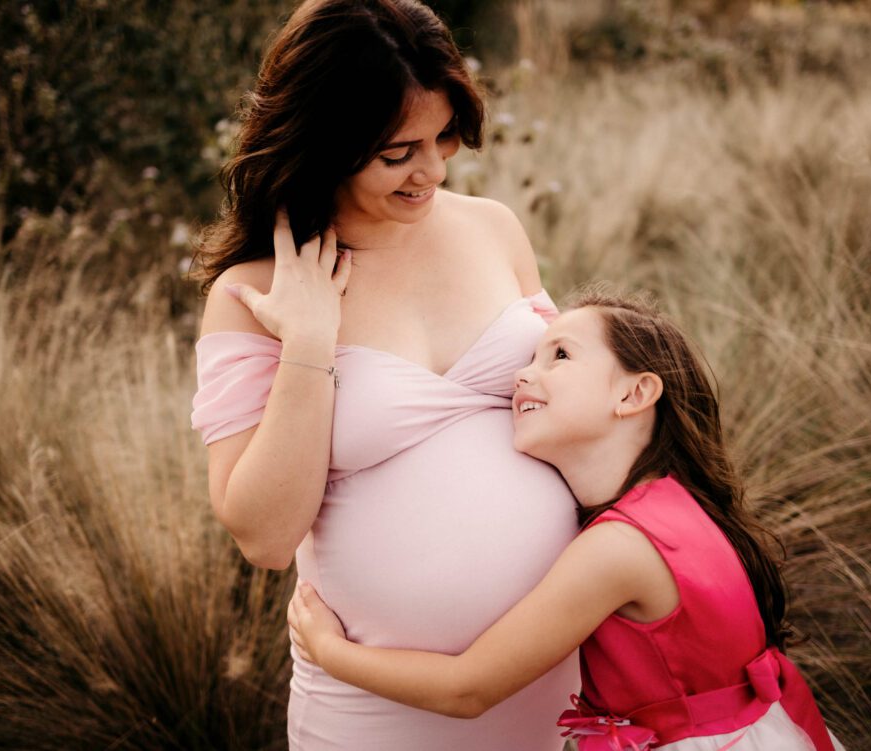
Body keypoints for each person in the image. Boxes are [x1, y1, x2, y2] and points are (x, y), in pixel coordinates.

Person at [189, 1, 579, 748]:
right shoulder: (252, 293)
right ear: (326, 144)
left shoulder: (493, 227)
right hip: (375, 709)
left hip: (558, 672)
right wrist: (309, 341)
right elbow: (266, 537)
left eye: (443, 137)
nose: (432, 170)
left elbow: (577, 411)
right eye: (399, 153)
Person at [287, 288, 847, 751]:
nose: (521, 376)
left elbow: (467, 689)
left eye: (559, 356)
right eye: (530, 357)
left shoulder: (620, 548)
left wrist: (330, 652)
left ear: (635, 392)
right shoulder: (677, 506)